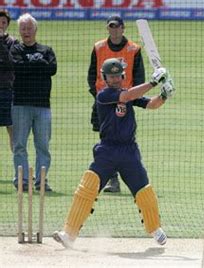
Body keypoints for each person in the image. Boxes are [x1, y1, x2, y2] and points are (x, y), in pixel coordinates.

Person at [53, 58, 175, 248]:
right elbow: (125, 97)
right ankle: (69, 234)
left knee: (143, 190)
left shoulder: (128, 93)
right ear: (105, 77)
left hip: (128, 151)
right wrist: (152, 82)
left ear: (123, 75)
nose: (115, 79)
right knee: (87, 187)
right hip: (107, 150)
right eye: (112, 76)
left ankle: (155, 229)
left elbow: (151, 104)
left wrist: (164, 95)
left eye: (118, 75)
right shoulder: (104, 94)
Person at [87, 15, 145, 192]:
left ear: (123, 28)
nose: (114, 30)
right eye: (111, 27)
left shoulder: (133, 49)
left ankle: (126, 175)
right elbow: (92, 74)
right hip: (104, 101)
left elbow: (139, 77)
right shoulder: (99, 47)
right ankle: (111, 178)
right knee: (106, 137)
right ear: (108, 28)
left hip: (126, 100)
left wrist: (131, 97)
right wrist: (100, 96)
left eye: (117, 26)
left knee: (124, 135)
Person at [10, 13, 57, 192]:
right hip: (20, 104)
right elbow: (17, 68)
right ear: (19, 31)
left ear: (35, 29)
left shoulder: (47, 50)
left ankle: (41, 181)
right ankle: (21, 180)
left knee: (43, 145)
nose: (26, 31)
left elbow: (52, 69)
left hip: (43, 106)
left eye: (29, 28)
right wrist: (38, 65)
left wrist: (31, 65)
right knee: (19, 144)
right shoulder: (15, 50)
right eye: (23, 28)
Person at [0, 9, 17, 155]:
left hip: (7, 90)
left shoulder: (13, 42)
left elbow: (10, 63)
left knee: (12, 129)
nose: (0, 25)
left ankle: (17, 168)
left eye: (3, 22)